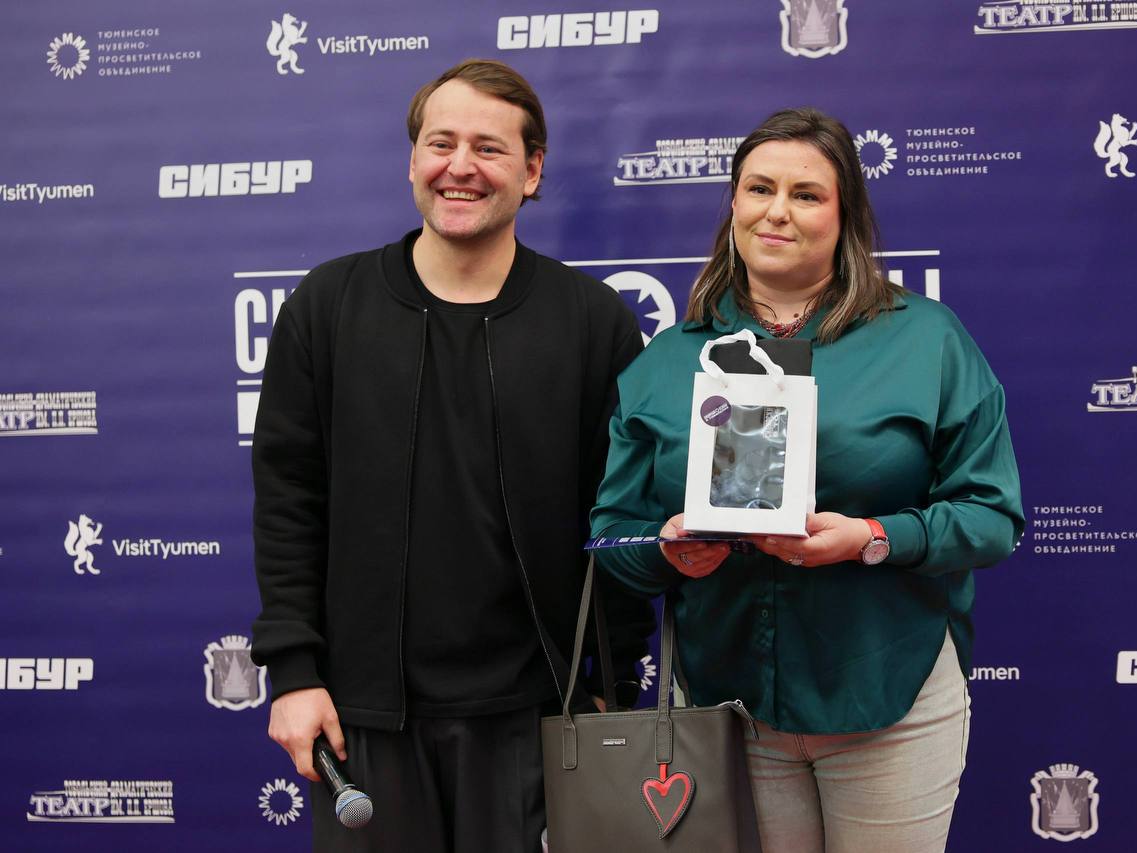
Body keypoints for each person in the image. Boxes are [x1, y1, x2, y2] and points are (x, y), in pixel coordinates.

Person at [590, 107, 1023, 853]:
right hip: (728, 711)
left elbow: (992, 515)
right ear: (733, 204)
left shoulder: (927, 339)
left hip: (888, 697)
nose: (777, 211)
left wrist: (874, 537)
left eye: (807, 194)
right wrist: (666, 550)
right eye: (759, 188)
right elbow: (611, 536)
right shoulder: (666, 363)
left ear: (845, 213)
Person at [250, 58, 652, 853]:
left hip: (540, 716)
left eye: (488, 148)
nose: (459, 166)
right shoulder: (328, 307)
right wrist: (294, 672)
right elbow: (289, 502)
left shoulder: (591, 321)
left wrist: (610, 682)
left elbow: (620, 515)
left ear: (532, 171)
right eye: (441, 143)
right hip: (364, 719)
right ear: (413, 161)